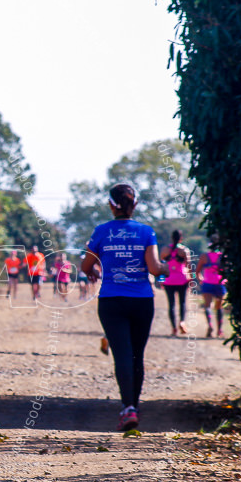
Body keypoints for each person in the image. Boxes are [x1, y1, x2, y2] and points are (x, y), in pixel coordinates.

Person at [81, 183, 167, 431]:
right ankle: (134, 407)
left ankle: (127, 408)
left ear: (111, 205)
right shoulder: (146, 232)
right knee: (137, 354)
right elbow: (153, 268)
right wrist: (165, 268)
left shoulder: (101, 231)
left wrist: (96, 272)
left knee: (121, 354)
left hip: (111, 301)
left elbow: (86, 267)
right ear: (135, 205)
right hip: (142, 301)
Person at [160, 230, 192, 336]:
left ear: (171, 238)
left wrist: (161, 280)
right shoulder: (184, 250)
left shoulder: (164, 250)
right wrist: (191, 280)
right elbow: (189, 267)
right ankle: (182, 322)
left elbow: (161, 266)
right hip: (182, 279)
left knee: (171, 304)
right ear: (181, 238)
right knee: (182, 303)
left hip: (168, 280)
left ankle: (174, 328)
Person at [196, 233, 227, 338]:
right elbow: (227, 271)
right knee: (219, 307)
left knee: (207, 306)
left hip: (207, 284)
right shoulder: (222, 257)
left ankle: (210, 325)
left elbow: (198, 271)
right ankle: (220, 330)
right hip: (219, 284)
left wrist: (201, 279)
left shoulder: (204, 256)